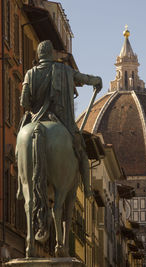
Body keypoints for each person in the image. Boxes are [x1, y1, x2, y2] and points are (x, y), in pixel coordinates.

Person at [20, 40, 102, 198]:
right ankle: (87, 189)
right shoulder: (65, 70)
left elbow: (23, 102)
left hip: (35, 120)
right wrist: (96, 80)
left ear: (38, 55)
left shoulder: (30, 73)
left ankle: (20, 186)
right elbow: (84, 79)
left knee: (20, 148)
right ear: (51, 54)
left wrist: (34, 109)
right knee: (82, 154)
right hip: (61, 121)